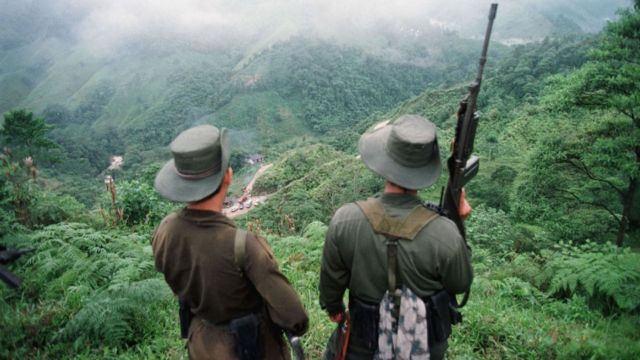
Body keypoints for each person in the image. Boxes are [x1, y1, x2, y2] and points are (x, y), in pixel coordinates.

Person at [319, 115, 473, 360]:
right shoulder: (445, 232)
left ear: (385, 163)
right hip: (424, 347)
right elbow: (460, 283)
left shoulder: (345, 220)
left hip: (362, 344)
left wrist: (336, 310)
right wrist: (458, 226)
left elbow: (332, 284)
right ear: (424, 171)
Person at [151, 124, 308, 360]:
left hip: (201, 344)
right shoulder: (243, 245)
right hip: (250, 349)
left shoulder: (165, 230)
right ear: (227, 176)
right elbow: (295, 317)